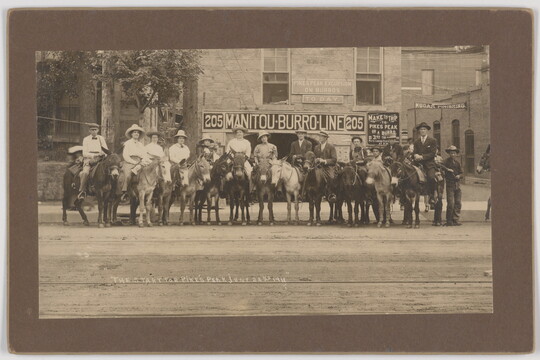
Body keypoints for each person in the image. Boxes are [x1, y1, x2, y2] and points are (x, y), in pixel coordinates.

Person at [78, 123, 110, 199]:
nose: (94, 132)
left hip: (100, 158)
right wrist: (94, 155)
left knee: (111, 169)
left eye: (95, 130)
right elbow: (84, 153)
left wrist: (104, 154)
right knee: (85, 172)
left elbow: (106, 150)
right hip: (89, 158)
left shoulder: (101, 138)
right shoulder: (86, 139)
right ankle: (82, 191)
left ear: (98, 130)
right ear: (89, 131)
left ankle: (112, 190)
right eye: (92, 130)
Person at [412, 122, 438, 205]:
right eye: (421, 129)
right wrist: (415, 155)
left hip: (429, 163)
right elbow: (414, 152)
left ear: (427, 131)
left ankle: (431, 196)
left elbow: (433, 153)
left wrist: (422, 157)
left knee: (431, 177)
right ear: (419, 131)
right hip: (418, 164)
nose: (422, 131)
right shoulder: (416, 141)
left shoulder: (432, 140)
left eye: (424, 129)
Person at [121, 124, 147, 198]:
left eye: (138, 132)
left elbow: (144, 155)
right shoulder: (127, 143)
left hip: (139, 161)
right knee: (128, 174)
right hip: (129, 161)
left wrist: (142, 162)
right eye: (135, 132)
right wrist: (133, 162)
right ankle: (125, 191)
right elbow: (125, 155)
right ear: (131, 134)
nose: (136, 134)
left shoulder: (141, 145)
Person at [313, 131, 338, 200]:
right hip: (318, 166)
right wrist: (315, 160)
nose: (320, 138)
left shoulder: (331, 147)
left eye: (321, 137)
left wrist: (324, 161)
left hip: (328, 166)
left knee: (332, 176)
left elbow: (334, 159)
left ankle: (331, 193)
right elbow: (315, 157)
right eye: (319, 136)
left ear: (325, 138)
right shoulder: (316, 147)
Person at [443, 145, 463, 226]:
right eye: (451, 153)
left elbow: (461, 173)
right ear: (449, 153)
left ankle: (455, 219)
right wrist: (447, 169)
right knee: (451, 203)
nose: (453, 155)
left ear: (456, 154)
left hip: (457, 185)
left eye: (454, 153)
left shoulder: (458, 163)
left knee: (458, 203)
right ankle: (449, 220)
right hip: (450, 185)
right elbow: (440, 166)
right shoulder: (446, 162)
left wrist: (459, 176)